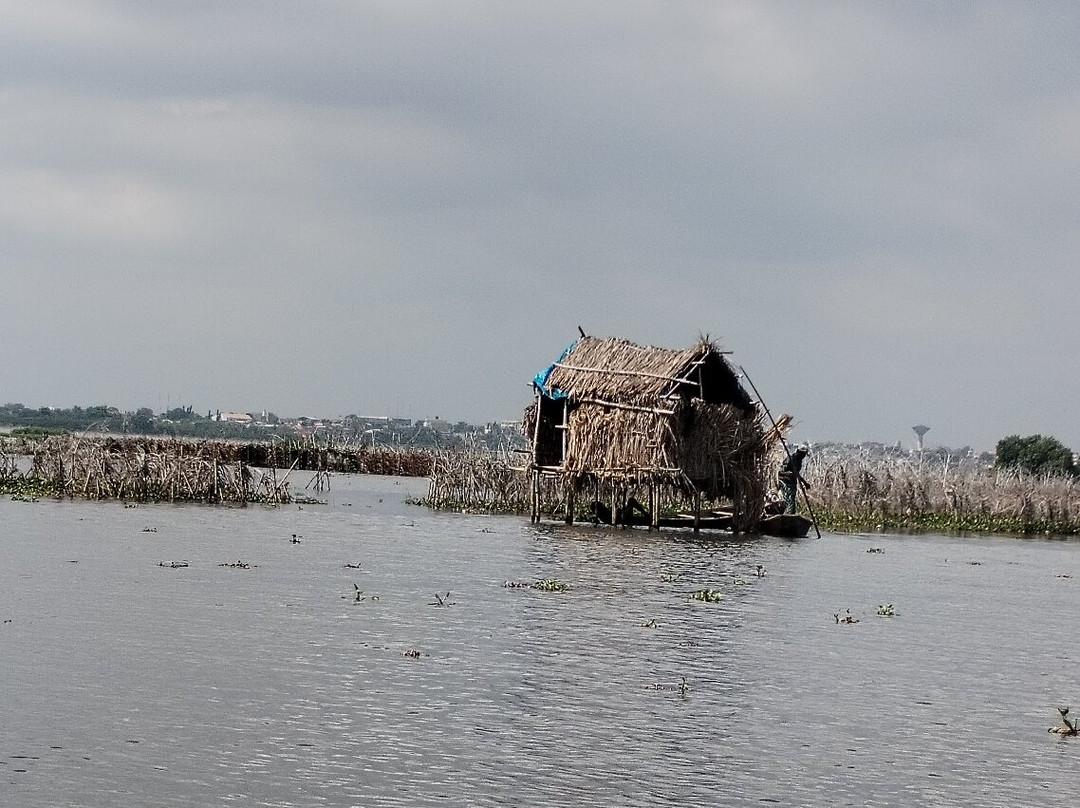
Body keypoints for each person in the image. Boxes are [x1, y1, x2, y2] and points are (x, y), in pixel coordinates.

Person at [777, 444, 810, 514]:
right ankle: (785, 515)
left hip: (792, 483)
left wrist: (804, 482)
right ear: (799, 452)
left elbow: (796, 473)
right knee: (787, 501)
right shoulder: (790, 459)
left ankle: (791, 515)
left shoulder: (799, 461)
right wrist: (787, 473)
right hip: (785, 483)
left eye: (804, 454)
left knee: (792, 501)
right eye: (803, 454)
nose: (803, 456)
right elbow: (780, 472)